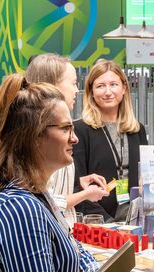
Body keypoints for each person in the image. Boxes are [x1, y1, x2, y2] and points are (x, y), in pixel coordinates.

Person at [0, 74, 131, 272]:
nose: (74, 138)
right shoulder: (20, 208)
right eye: (66, 128)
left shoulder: (40, 196)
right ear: (34, 136)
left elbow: (77, 256)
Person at [24, 53, 109, 224]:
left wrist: (78, 182)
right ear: (53, 85)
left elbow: (52, 186)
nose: (77, 90)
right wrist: (85, 194)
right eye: (73, 83)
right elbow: (41, 200)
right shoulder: (37, 134)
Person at [74, 60, 148, 222]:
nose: (108, 92)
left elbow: (146, 175)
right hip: (97, 220)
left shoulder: (137, 130)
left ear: (124, 89)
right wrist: (106, 222)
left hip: (136, 217)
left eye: (113, 84)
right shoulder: (79, 130)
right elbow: (77, 185)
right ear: (91, 91)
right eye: (100, 86)